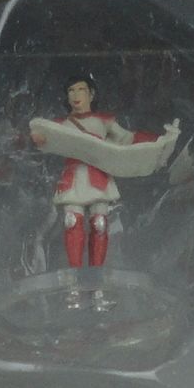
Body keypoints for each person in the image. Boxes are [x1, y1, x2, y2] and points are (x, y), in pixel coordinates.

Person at [28, 74, 167, 268]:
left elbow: (127, 138)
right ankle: (75, 275)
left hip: (98, 175)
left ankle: (97, 273)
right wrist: (36, 140)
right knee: (71, 221)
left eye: (81, 90)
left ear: (91, 94)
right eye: (71, 91)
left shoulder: (103, 121)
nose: (76, 95)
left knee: (100, 224)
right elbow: (43, 140)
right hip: (73, 176)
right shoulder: (61, 125)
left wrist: (155, 140)